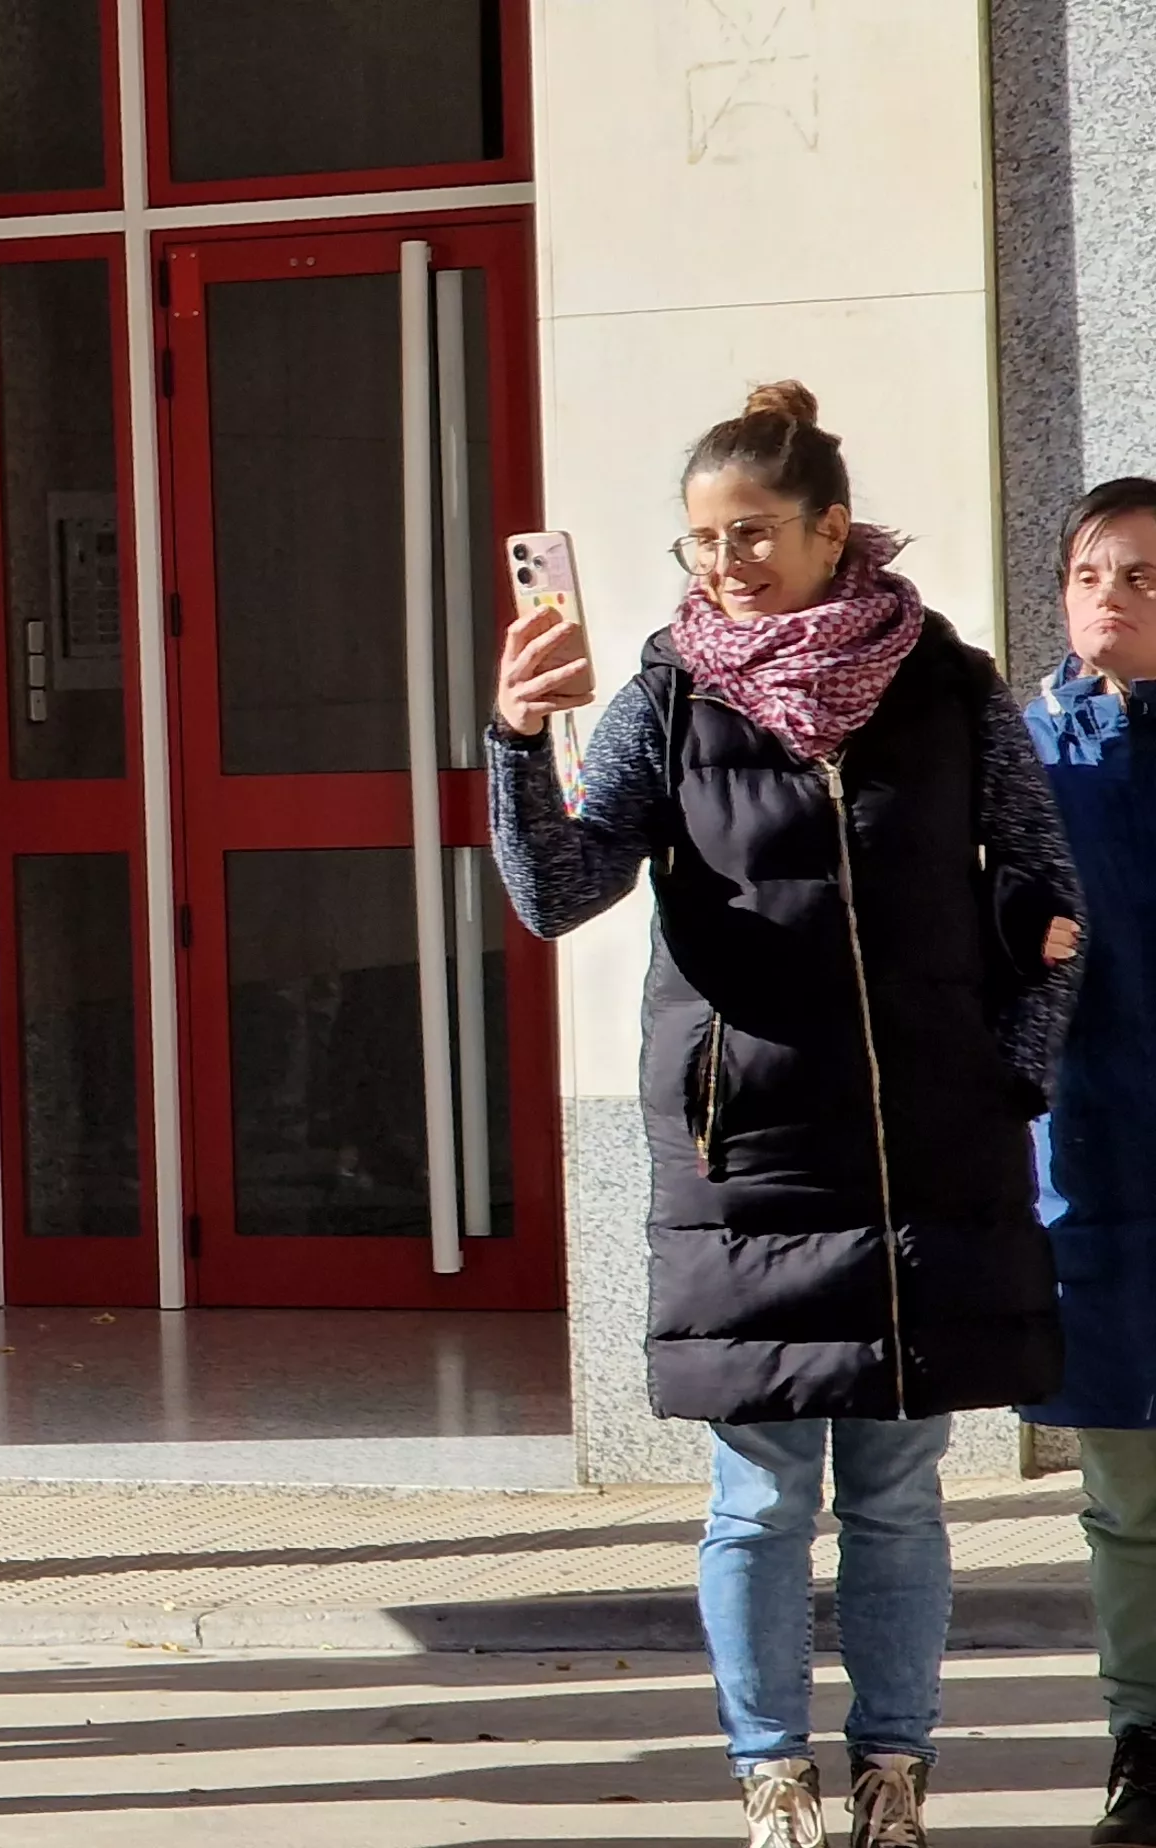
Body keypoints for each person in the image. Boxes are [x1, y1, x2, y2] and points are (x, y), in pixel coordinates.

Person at [489, 381, 1078, 1848]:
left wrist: (1018, 1067)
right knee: (757, 1497)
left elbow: (1048, 892)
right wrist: (512, 739)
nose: (724, 566)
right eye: (700, 543)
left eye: (751, 534)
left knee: (894, 1486)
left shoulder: (947, 686)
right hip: (742, 1150)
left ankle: (893, 1774)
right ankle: (772, 1778)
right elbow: (561, 891)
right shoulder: (670, 694)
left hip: (925, 1140)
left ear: (832, 532)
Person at [1021, 477, 1156, 1847]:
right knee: (1129, 1489)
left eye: (1140, 576)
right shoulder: (1025, 757)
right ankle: (1144, 1737)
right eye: (1087, 573)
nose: (1108, 595)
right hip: (1099, 1161)